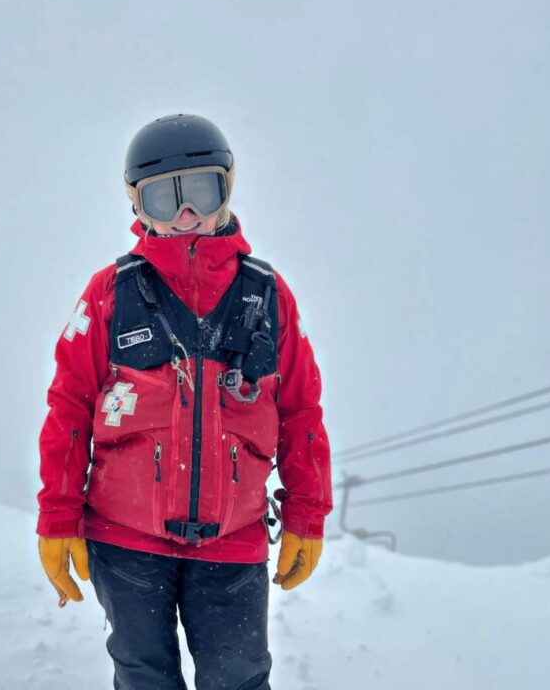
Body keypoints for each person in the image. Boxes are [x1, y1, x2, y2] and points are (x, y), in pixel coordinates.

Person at [36, 113, 333, 690]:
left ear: (227, 185)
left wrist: (307, 512)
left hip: (233, 539)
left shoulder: (266, 296)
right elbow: (69, 407)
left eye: (200, 190)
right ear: (136, 204)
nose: (186, 215)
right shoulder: (110, 293)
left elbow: (301, 411)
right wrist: (58, 515)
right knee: (144, 678)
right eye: (164, 198)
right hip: (124, 543)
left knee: (239, 680)